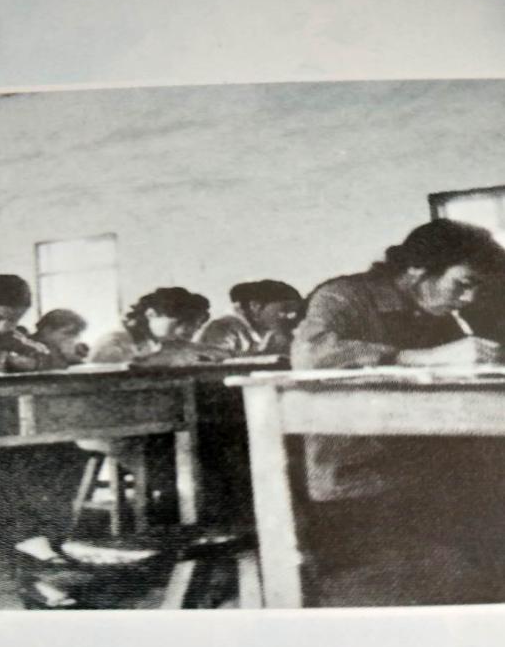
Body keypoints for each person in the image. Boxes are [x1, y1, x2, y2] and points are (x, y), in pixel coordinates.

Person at [291, 219, 505, 605]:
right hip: (358, 475)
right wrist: (419, 358)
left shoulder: (437, 313)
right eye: (462, 284)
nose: (469, 298)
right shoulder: (342, 296)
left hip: (427, 471)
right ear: (417, 271)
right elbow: (311, 356)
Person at [90, 287, 226, 366]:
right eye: (181, 322)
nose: (189, 330)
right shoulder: (114, 342)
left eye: (196, 325)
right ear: (151, 314)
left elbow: (215, 353)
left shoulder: (166, 341)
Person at [198, 280, 303, 356]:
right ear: (255, 306)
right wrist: (263, 355)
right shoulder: (223, 328)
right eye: (285, 309)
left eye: (294, 311)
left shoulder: (269, 331)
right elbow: (215, 361)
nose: (290, 315)